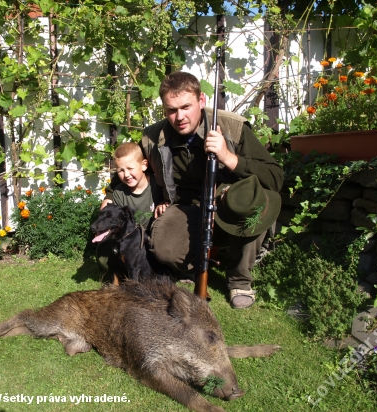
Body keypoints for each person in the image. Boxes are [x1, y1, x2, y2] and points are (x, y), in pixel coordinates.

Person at [102, 71, 283, 309]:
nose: (179, 117)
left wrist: (229, 157)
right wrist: (109, 197)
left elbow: (275, 177)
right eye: (171, 110)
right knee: (162, 246)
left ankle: (240, 279)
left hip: (228, 201)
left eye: (186, 107)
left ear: (201, 101)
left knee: (252, 206)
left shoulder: (233, 127)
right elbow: (131, 167)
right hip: (186, 206)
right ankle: (194, 267)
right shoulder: (153, 137)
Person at [97, 142, 165, 271]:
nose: (126, 174)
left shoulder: (158, 187)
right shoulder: (119, 192)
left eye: (130, 168)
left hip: (152, 238)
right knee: (104, 261)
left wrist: (164, 204)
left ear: (144, 165)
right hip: (129, 239)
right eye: (121, 170)